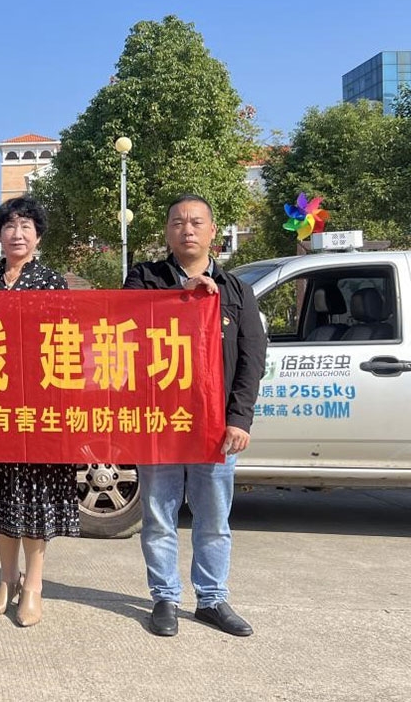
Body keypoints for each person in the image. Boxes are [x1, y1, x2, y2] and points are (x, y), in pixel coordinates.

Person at [123, 194, 267, 637]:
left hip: (215, 427)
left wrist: (239, 418)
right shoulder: (144, 279)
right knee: (159, 517)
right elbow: (124, 324)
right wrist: (183, 296)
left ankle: (212, 598)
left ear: (212, 231)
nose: (187, 229)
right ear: (167, 231)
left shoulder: (236, 290)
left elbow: (252, 359)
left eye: (196, 222)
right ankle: (164, 597)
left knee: (213, 520)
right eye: (178, 222)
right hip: (159, 424)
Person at [0, 195, 80, 627]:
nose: (17, 234)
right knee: (0, 492)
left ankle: (33, 584)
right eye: (10, 226)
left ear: (38, 236)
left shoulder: (52, 283)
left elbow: (65, 345)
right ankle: (5, 580)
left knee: (35, 495)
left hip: (40, 404)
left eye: (26, 226)